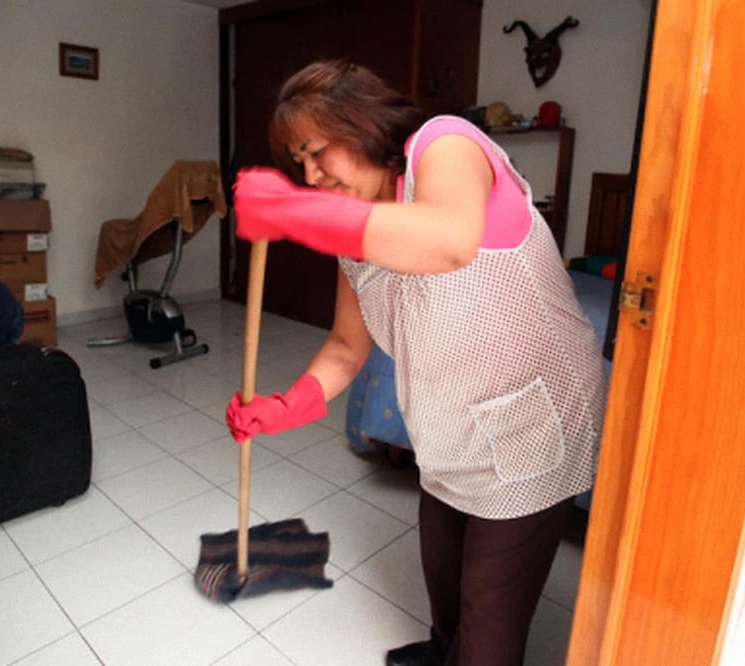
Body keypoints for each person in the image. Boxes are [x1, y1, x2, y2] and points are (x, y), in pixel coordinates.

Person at [225, 60, 607, 666]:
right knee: (444, 576)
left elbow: (449, 239)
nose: (310, 173)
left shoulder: (446, 143)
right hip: (448, 424)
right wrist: (284, 407)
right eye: (298, 163)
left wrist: (296, 212)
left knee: (491, 609)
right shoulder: (357, 238)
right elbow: (347, 348)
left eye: (317, 150)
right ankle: (441, 650)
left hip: (533, 419)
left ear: (362, 123)